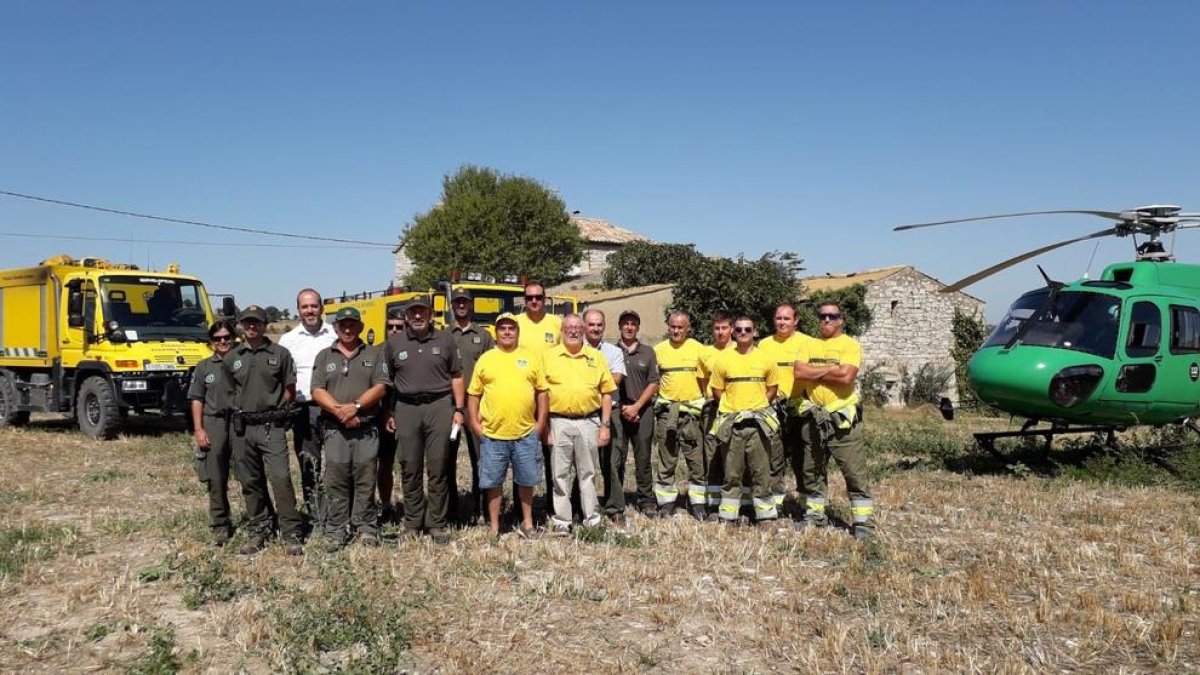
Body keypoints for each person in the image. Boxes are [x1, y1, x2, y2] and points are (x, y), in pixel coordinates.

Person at [384, 296, 466, 545]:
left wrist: (459, 409)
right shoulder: (394, 343)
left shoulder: (445, 339)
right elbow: (387, 381)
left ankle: (437, 523)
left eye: (422, 312)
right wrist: (389, 412)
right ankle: (412, 522)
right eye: (412, 313)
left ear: (430, 314)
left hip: (439, 406)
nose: (417, 316)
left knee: (438, 466)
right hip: (406, 408)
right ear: (406, 316)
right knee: (410, 467)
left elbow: (457, 376)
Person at [310, 307, 390, 549]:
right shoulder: (324, 355)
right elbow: (317, 390)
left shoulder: (375, 354)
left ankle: (366, 526)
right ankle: (336, 528)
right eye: (342, 324)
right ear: (335, 327)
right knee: (336, 477)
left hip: (366, 428)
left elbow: (381, 387)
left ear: (360, 327)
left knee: (366, 476)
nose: (347, 329)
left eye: (352, 324)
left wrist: (355, 407)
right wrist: (340, 412)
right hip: (336, 428)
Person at [793, 303, 874, 539]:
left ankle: (863, 524)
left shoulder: (850, 344)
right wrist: (831, 369)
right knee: (812, 471)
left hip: (842, 419)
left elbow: (847, 376)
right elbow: (799, 373)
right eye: (822, 316)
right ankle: (815, 516)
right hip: (814, 417)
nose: (826, 320)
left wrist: (815, 369)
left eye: (832, 316)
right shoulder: (808, 344)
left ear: (841, 320)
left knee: (853, 472)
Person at [227, 305, 303, 556]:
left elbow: (289, 388)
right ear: (241, 325)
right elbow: (229, 392)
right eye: (247, 322)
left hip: (272, 425)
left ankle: (291, 532)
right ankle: (260, 529)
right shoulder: (233, 357)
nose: (251, 327)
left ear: (264, 325)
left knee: (281, 478)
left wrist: (277, 409)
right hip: (243, 427)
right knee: (250, 481)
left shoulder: (280, 353)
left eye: (256, 322)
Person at [467, 313, 548, 538]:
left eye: (511, 328)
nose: (507, 332)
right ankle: (494, 526)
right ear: (496, 332)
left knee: (526, 480)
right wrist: (474, 422)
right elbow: (473, 394)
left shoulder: (530, 358)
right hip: (493, 435)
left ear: (517, 332)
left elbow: (542, 393)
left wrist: (540, 424)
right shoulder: (486, 359)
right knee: (493, 483)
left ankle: (528, 523)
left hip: (525, 433)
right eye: (502, 328)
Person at [541, 314, 616, 535]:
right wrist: (544, 427)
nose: (573, 331)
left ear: (583, 330)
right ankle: (562, 521)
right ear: (562, 331)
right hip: (558, 422)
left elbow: (606, 394)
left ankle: (591, 518)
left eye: (577, 328)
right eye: (568, 328)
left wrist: (605, 425)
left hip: (588, 422)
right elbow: (541, 394)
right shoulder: (549, 357)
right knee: (559, 475)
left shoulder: (596, 357)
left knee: (588, 473)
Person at [708, 316, 781, 525]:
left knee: (761, 472)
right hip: (732, 424)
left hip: (758, 424)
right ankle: (729, 516)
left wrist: (757, 407)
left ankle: (765, 517)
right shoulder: (724, 359)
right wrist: (733, 408)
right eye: (738, 330)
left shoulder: (766, 358)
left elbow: (772, 388)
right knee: (732, 472)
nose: (742, 333)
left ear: (755, 332)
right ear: (734, 332)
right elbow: (717, 389)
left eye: (747, 329)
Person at [278, 288, 336, 524]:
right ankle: (315, 512)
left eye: (314, 306)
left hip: (334, 408)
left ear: (321, 307)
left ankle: (338, 511)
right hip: (303, 410)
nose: (310, 311)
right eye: (305, 307)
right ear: (298, 309)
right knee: (309, 463)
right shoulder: (288, 341)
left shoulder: (335, 334)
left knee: (337, 463)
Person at [756, 303, 816, 510]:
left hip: (800, 407)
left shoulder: (808, 342)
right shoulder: (764, 344)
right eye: (779, 318)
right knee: (774, 456)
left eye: (786, 318)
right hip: (773, 408)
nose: (782, 322)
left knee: (803, 456)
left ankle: (805, 500)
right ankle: (776, 502)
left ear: (796, 320)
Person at [652, 311, 709, 518]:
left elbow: (706, 380)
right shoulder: (658, 350)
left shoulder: (698, 349)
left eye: (680, 327)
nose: (676, 331)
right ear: (668, 327)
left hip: (692, 415)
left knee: (696, 462)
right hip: (668, 414)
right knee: (667, 460)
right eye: (673, 327)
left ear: (688, 328)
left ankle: (698, 504)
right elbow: (654, 380)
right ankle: (667, 503)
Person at [187, 319, 238, 547]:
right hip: (214, 423)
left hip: (240, 422)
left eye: (227, 337)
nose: (223, 341)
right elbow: (197, 399)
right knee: (216, 477)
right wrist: (199, 429)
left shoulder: (243, 362)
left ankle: (260, 521)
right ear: (211, 343)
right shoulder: (204, 367)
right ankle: (220, 525)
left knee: (250, 476)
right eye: (218, 339)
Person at [449, 289, 495, 524]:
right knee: (447, 459)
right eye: (457, 302)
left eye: (465, 302)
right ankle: (452, 511)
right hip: (450, 407)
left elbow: (493, 368)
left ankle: (483, 509)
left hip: (476, 405)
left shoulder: (484, 336)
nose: (461, 306)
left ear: (471, 305)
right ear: (452, 305)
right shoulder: (444, 335)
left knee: (481, 458)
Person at [609, 310, 659, 520]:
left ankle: (646, 500)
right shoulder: (610, 351)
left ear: (638, 327)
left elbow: (654, 383)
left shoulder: (648, 352)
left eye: (633, 324)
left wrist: (637, 407)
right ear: (619, 326)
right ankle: (615, 501)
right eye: (625, 323)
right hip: (618, 410)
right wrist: (623, 408)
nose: (629, 327)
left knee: (643, 457)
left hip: (642, 410)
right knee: (616, 458)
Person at [582, 309, 631, 522]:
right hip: (583, 413)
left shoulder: (614, 352)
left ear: (604, 326)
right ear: (584, 325)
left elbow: (615, 380)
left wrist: (586, 383)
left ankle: (614, 507)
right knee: (582, 463)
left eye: (599, 324)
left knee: (612, 461)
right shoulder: (574, 350)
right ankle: (582, 505)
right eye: (591, 324)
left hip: (610, 411)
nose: (595, 328)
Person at [699, 311, 735, 514]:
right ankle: (713, 504)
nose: (720, 332)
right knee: (711, 455)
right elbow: (703, 382)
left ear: (731, 329)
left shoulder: (741, 351)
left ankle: (735, 503)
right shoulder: (705, 353)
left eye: (724, 328)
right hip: (713, 410)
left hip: (735, 410)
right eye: (717, 328)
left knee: (734, 456)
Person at [377, 308, 406, 522]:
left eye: (399, 327)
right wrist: (387, 412)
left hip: (408, 415)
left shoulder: (414, 350)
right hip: (382, 416)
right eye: (391, 327)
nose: (394, 331)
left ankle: (409, 506)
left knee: (409, 464)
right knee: (384, 464)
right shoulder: (375, 352)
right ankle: (385, 505)